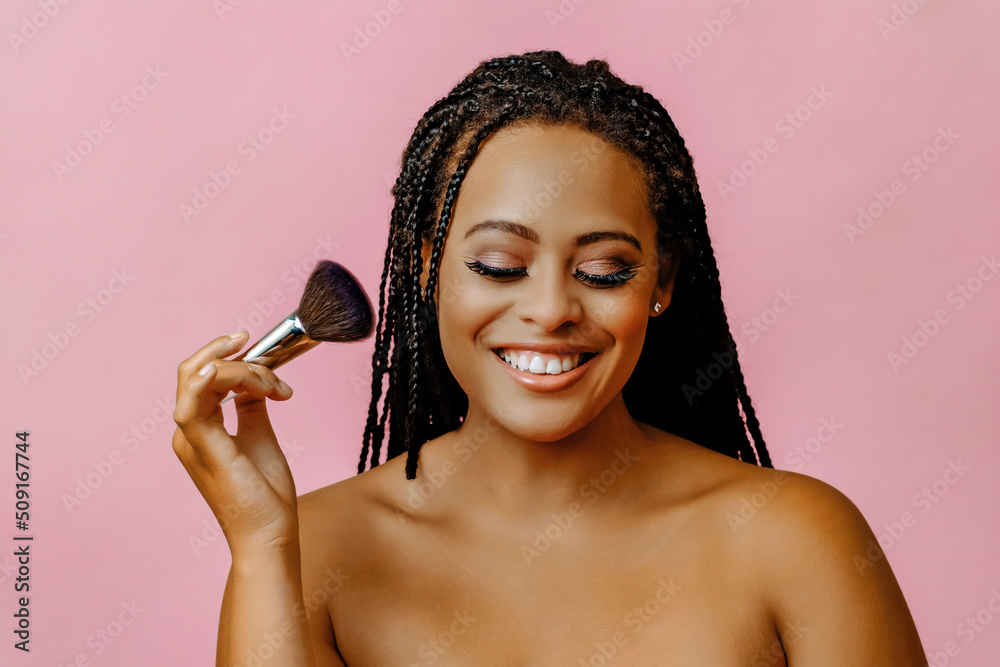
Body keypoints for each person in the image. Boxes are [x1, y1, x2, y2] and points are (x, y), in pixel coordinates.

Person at [172, 50, 927, 666]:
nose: (551, 309)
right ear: (429, 268)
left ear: (661, 282)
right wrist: (264, 548)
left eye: (604, 271)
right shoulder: (312, 551)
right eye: (500, 264)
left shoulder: (796, 540)